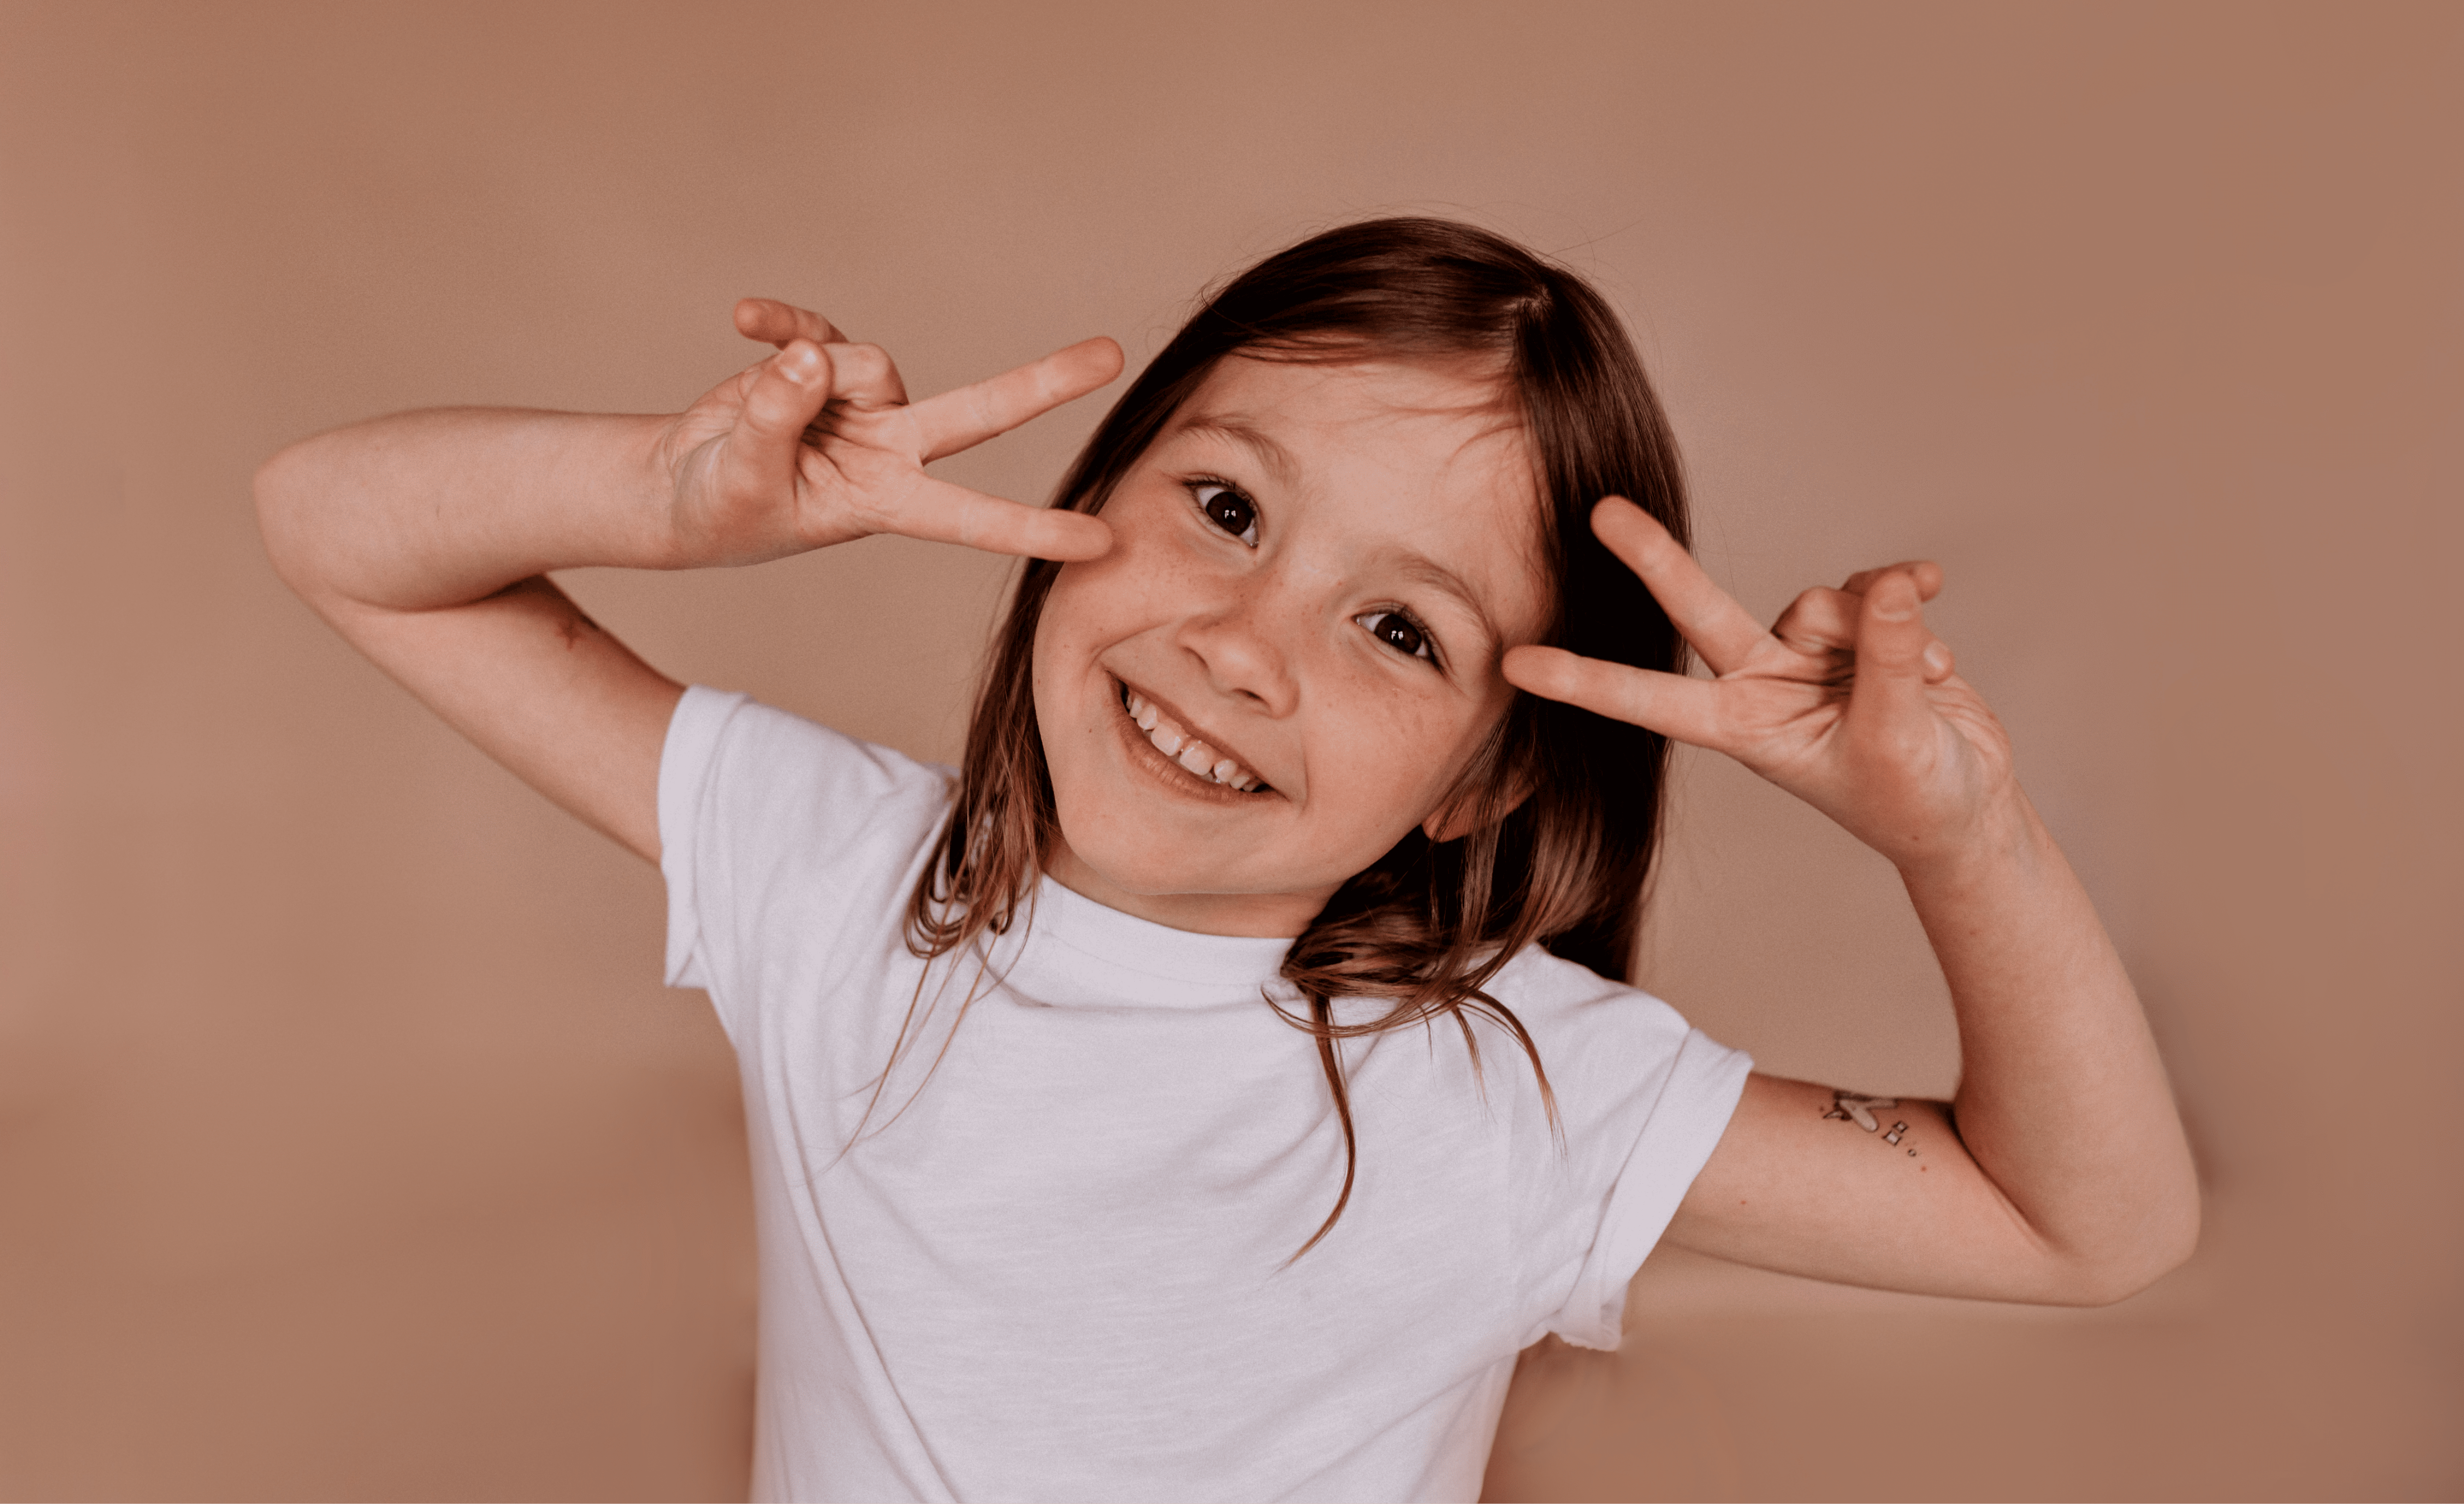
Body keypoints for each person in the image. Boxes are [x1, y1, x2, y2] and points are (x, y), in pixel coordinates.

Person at [253, 218, 2199, 1502]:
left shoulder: (1509, 1077)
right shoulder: (839, 874)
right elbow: (331, 524)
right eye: (1225, 506)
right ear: (1084, 500)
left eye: (1400, 629)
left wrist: (1961, 836)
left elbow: (2087, 1223)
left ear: (1483, 787)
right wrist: (668, 497)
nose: (1248, 647)